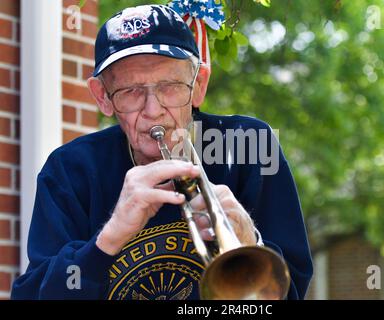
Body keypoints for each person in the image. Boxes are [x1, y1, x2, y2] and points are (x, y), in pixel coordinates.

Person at [12, 4, 313, 300]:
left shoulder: (250, 146)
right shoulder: (69, 169)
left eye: (170, 87)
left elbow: (293, 288)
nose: (153, 111)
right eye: (131, 91)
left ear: (199, 86)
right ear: (103, 97)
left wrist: (252, 240)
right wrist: (108, 239)